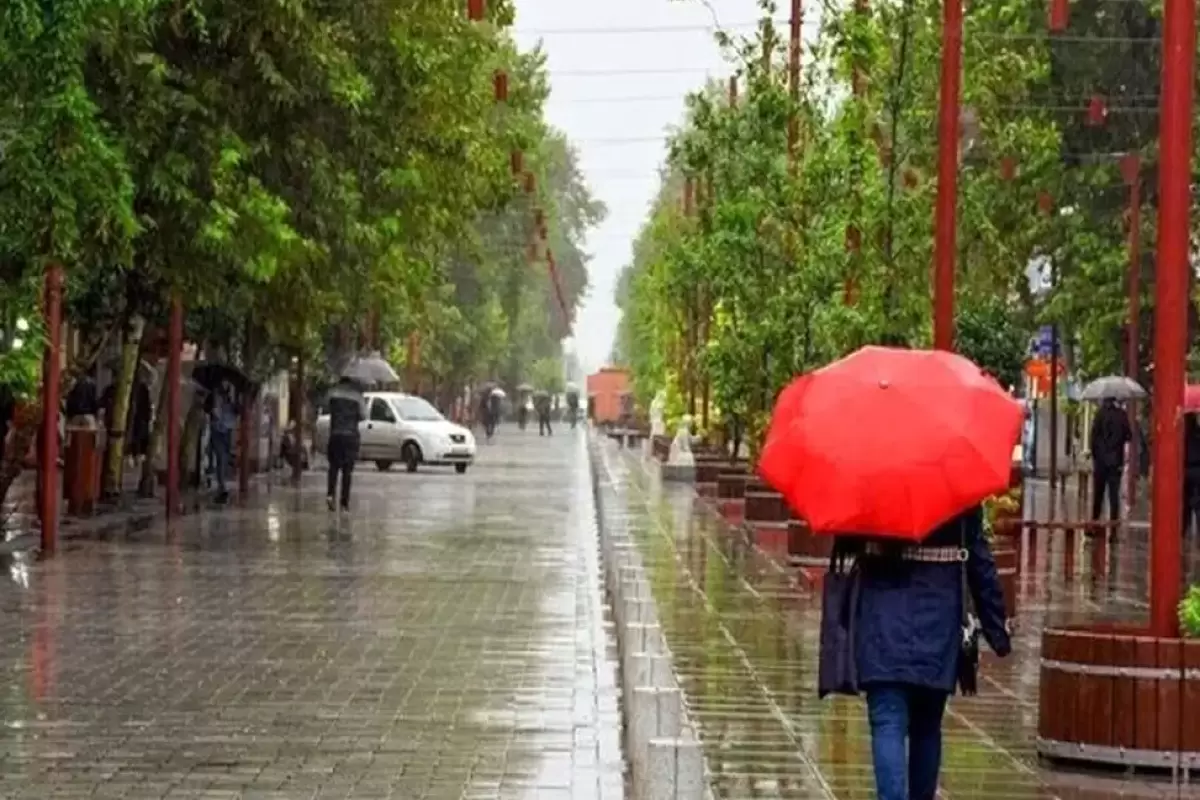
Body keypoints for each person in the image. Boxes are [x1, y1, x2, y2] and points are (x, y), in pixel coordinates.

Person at [843, 506, 1011, 800]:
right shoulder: (956, 480)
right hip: (936, 616)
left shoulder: (870, 479)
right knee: (927, 724)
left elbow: (845, 541)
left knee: (887, 720)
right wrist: (996, 628)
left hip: (882, 618)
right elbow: (978, 556)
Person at [1090, 398, 1131, 523]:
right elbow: (1129, 435)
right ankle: (1113, 526)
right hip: (1116, 461)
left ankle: (1095, 522)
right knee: (1114, 496)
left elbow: (1093, 438)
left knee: (1098, 495)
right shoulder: (1122, 415)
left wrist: (1096, 455)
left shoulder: (1099, 414)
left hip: (1101, 462)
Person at [325, 376, 364, 511]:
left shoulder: (332, 393)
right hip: (351, 436)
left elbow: (326, 408)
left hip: (335, 434)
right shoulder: (357, 396)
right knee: (347, 471)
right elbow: (364, 416)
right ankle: (344, 504)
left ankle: (330, 495)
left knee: (333, 468)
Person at [208, 387, 237, 503]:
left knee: (223, 457)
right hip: (217, 429)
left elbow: (237, 410)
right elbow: (208, 408)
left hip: (227, 430)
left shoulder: (232, 398)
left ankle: (222, 485)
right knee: (220, 456)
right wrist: (212, 411)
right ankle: (222, 486)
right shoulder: (214, 395)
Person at [1184, 415, 1200, 536]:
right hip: (1198, 469)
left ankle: (1183, 529)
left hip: (1185, 469)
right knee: (1198, 502)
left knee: (1184, 502)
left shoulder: (1182, 434)